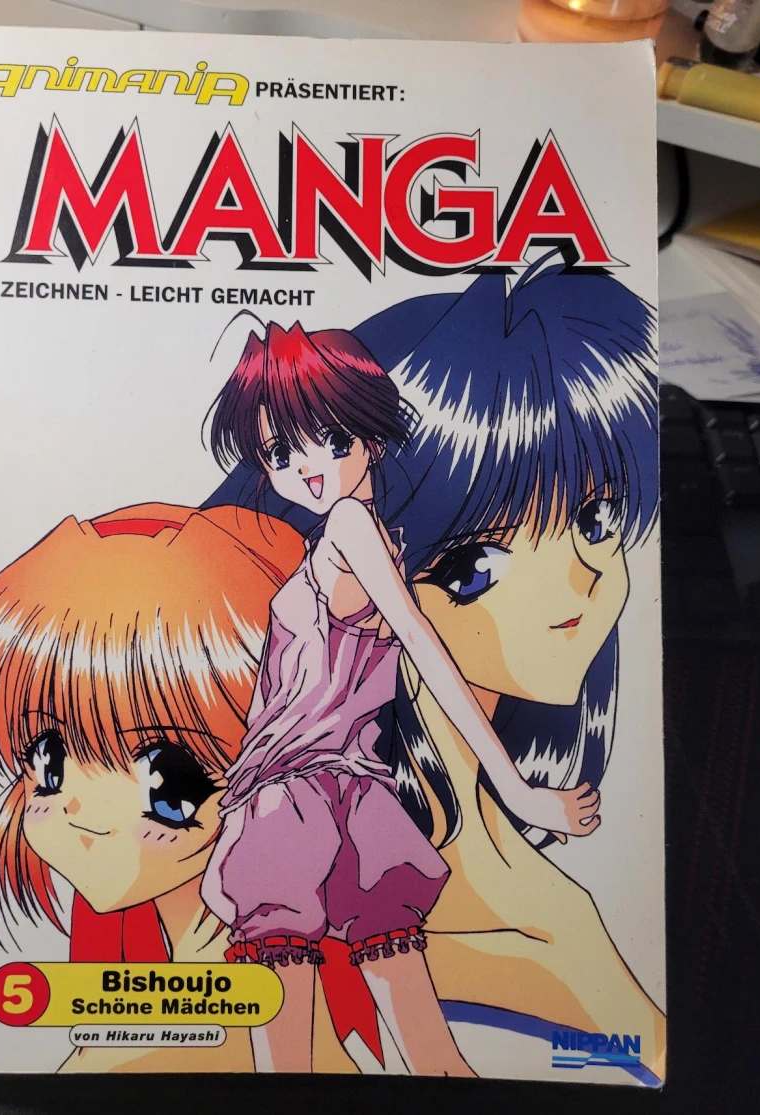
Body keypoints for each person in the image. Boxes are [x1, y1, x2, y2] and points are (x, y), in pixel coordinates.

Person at [199, 321, 601, 1076]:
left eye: (330, 438)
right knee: (423, 1039)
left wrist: (517, 791)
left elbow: (422, 644)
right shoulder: (363, 537)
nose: (307, 468)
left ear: (371, 438)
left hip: (296, 794)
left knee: (287, 1056)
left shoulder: (351, 526)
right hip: (349, 792)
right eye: (281, 454)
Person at [353, 259, 666, 1082]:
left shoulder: (543, 897)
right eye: (477, 563)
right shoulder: (386, 895)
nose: (577, 582)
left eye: (596, 517)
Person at [0, 502, 361, 1072]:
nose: (83, 813)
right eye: (49, 763)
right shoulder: (127, 933)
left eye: (169, 782)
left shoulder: (292, 943)